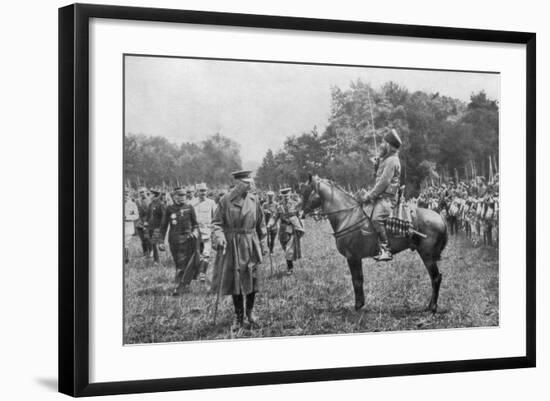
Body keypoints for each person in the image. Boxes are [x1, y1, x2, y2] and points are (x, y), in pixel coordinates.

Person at [211, 170, 267, 329]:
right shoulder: (225, 200)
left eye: (251, 182)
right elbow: (216, 223)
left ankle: (250, 312)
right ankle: (238, 315)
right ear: (238, 183)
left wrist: (263, 244)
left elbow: (260, 224)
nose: (251, 185)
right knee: (236, 281)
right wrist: (220, 237)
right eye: (247, 182)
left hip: (250, 243)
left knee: (252, 279)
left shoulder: (254, 200)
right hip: (233, 245)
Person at [360, 128, 402, 261]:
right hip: (381, 197)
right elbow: (377, 178)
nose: (381, 146)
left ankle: (386, 249)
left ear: (389, 146)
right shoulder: (386, 160)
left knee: (376, 218)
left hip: (388, 199)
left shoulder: (392, 161)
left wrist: (370, 195)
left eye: (384, 143)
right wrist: (376, 165)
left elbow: (384, 182)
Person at [159, 187, 200, 296]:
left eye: (184, 196)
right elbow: (163, 226)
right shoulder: (169, 209)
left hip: (188, 240)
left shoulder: (190, 208)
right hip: (174, 240)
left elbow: (195, 224)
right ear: (174, 197)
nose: (183, 198)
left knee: (183, 263)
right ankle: (184, 284)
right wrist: (161, 241)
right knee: (178, 263)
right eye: (180, 196)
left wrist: (195, 232)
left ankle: (179, 287)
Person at [271, 188, 304, 275]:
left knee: (289, 250)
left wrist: (298, 222)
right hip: (283, 230)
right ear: (281, 196)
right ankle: (290, 265)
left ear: (290, 195)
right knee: (285, 248)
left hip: (292, 229)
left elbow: (300, 215)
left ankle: (290, 268)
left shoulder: (295, 204)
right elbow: (275, 216)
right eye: (284, 196)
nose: (286, 198)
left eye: (287, 196)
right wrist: (269, 224)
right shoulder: (279, 205)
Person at [191, 182, 217, 283]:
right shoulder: (192, 203)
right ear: (197, 192)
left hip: (207, 232)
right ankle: (195, 273)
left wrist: (213, 231)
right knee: (196, 254)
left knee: (206, 254)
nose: (203, 193)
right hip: (196, 233)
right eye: (201, 191)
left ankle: (202, 274)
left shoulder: (211, 203)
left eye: (205, 191)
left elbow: (215, 218)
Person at [147, 188, 165, 264]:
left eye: (151, 194)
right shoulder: (150, 204)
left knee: (155, 243)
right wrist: (146, 223)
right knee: (153, 243)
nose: (149, 195)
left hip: (157, 227)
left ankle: (157, 260)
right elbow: (148, 215)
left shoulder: (161, 204)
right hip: (150, 226)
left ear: (155, 195)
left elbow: (164, 216)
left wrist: (161, 227)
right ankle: (156, 259)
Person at [135, 187, 151, 257]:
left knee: (148, 238)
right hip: (140, 222)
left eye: (143, 192)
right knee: (143, 240)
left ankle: (151, 252)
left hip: (149, 222)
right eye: (140, 192)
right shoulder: (137, 201)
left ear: (146, 192)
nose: (142, 194)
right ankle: (145, 253)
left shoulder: (150, 200)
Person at [124, 188, 139, 264]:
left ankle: (126, 259)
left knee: (125, 243)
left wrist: (127, 217)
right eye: (124, 193)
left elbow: (136, 216)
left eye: (127, 193)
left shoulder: (132, 204)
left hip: (128, 226)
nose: (125, 195)